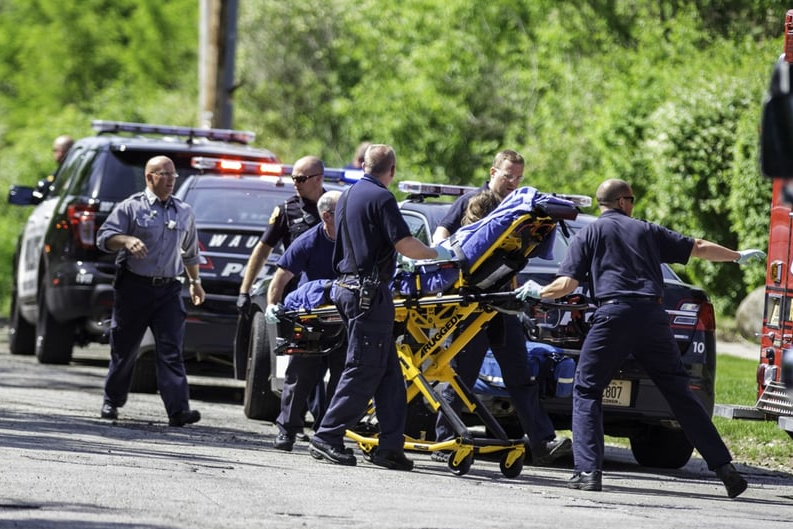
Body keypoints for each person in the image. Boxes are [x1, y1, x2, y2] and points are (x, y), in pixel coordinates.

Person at [515, 178, 765, 496]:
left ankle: (588, 472)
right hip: (653, 318)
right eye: (631, 199)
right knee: (679, 393)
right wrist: (736, 255)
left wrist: (538, 292)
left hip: (614, 316)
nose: (633, 205)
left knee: (587, 389)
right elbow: (699, 247)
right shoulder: (646, 230)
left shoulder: (589, 233)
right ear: (622, 202)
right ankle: (726, 470)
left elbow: (567, 285)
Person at [310, 144, 451, 469]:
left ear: (364, 165)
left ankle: (390, 445)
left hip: (348, 287)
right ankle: (327, 435)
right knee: (363, 368)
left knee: (389, 375)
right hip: (368, 294)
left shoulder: (347, 195)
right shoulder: (382, 198)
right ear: (393, 170)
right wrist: (438, 254)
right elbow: (405, 245)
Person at [430, 149, 572, 466]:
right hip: (469, 305)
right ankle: (444, 441)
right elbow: (441, 236)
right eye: (508, 176)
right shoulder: (473, 201)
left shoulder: (520, 210)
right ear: (493, 172)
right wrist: (444, 263)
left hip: (503, 304)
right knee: (460, 376)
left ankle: (542, 442)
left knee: (520, 375)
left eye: (518, 178)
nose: (513, 182)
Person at [96, 156, 205, 426]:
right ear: (149, 177)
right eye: (163, 174)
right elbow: (104, 238)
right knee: (125, 349)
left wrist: (195, 282)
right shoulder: (131, 207)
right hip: (134, 287)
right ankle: (112, 401)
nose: (170, 180)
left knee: (171, 350)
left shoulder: (184, 211)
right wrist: (126, 240)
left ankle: (178, 411)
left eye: (173, 175)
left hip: (168, 290)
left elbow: (190, 252)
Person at [262, 191, 344, 450]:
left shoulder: (354, 239)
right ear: (327, 216)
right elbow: (282, 276)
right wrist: (272, 305)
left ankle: (327, 433)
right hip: (311, 316)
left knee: (342, 376)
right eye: (343, 210)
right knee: (300, 375)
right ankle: (287, 430)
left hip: (344, 317)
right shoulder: (309, 240)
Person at [236, 156, 328, 315]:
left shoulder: (337, 206)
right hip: (296, 292)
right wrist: (244, 291)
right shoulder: (286, 210)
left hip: (330, 289)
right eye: (293, 178)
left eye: (301, 179)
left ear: (318, 179)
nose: (295, 183)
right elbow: (263, 249)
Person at [32, 134, 74, 203]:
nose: (54, 154)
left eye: (55, 150)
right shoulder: (63, 170)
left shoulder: (69, 171)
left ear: (61, 152)